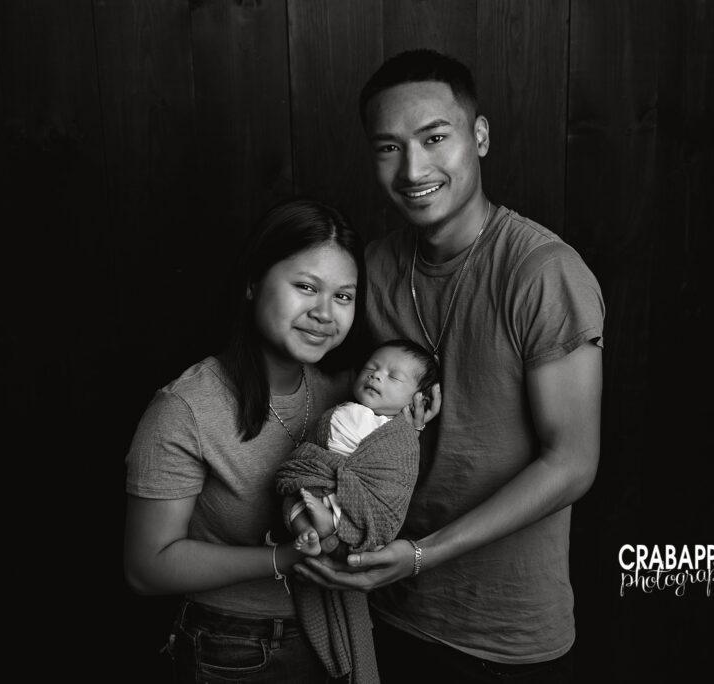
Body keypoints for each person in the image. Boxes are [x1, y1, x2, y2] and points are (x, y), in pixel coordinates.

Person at [294, 49, 605, 683]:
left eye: (435, 137)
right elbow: (327, 392)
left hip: (504, 633)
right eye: (388, 147)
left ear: (480, 136)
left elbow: (572, 463)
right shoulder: (375, 266)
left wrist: (421, 555)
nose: (413, 169)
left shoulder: (541, 272)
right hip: (382, 607)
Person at [123, 198, 366, 683]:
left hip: (339, 638)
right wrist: (285, 557)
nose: (325, 313)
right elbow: (146, 567)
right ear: (254, 283)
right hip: (235, 647)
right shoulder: (186, 407)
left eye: (343, 296)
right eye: (305, 287)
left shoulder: (344, 391)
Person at [277, 339, 440, 559]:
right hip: (320, 477)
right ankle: (307, 532)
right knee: (293, 496)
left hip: (358, 493)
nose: (376, 375)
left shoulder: (399, 435)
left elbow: (395, 481)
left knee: (351, 510)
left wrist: (412, 432)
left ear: (418, 399)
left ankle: (331, 523)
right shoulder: (343, 409)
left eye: (393, 376)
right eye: (371, 368)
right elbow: (312, 447)